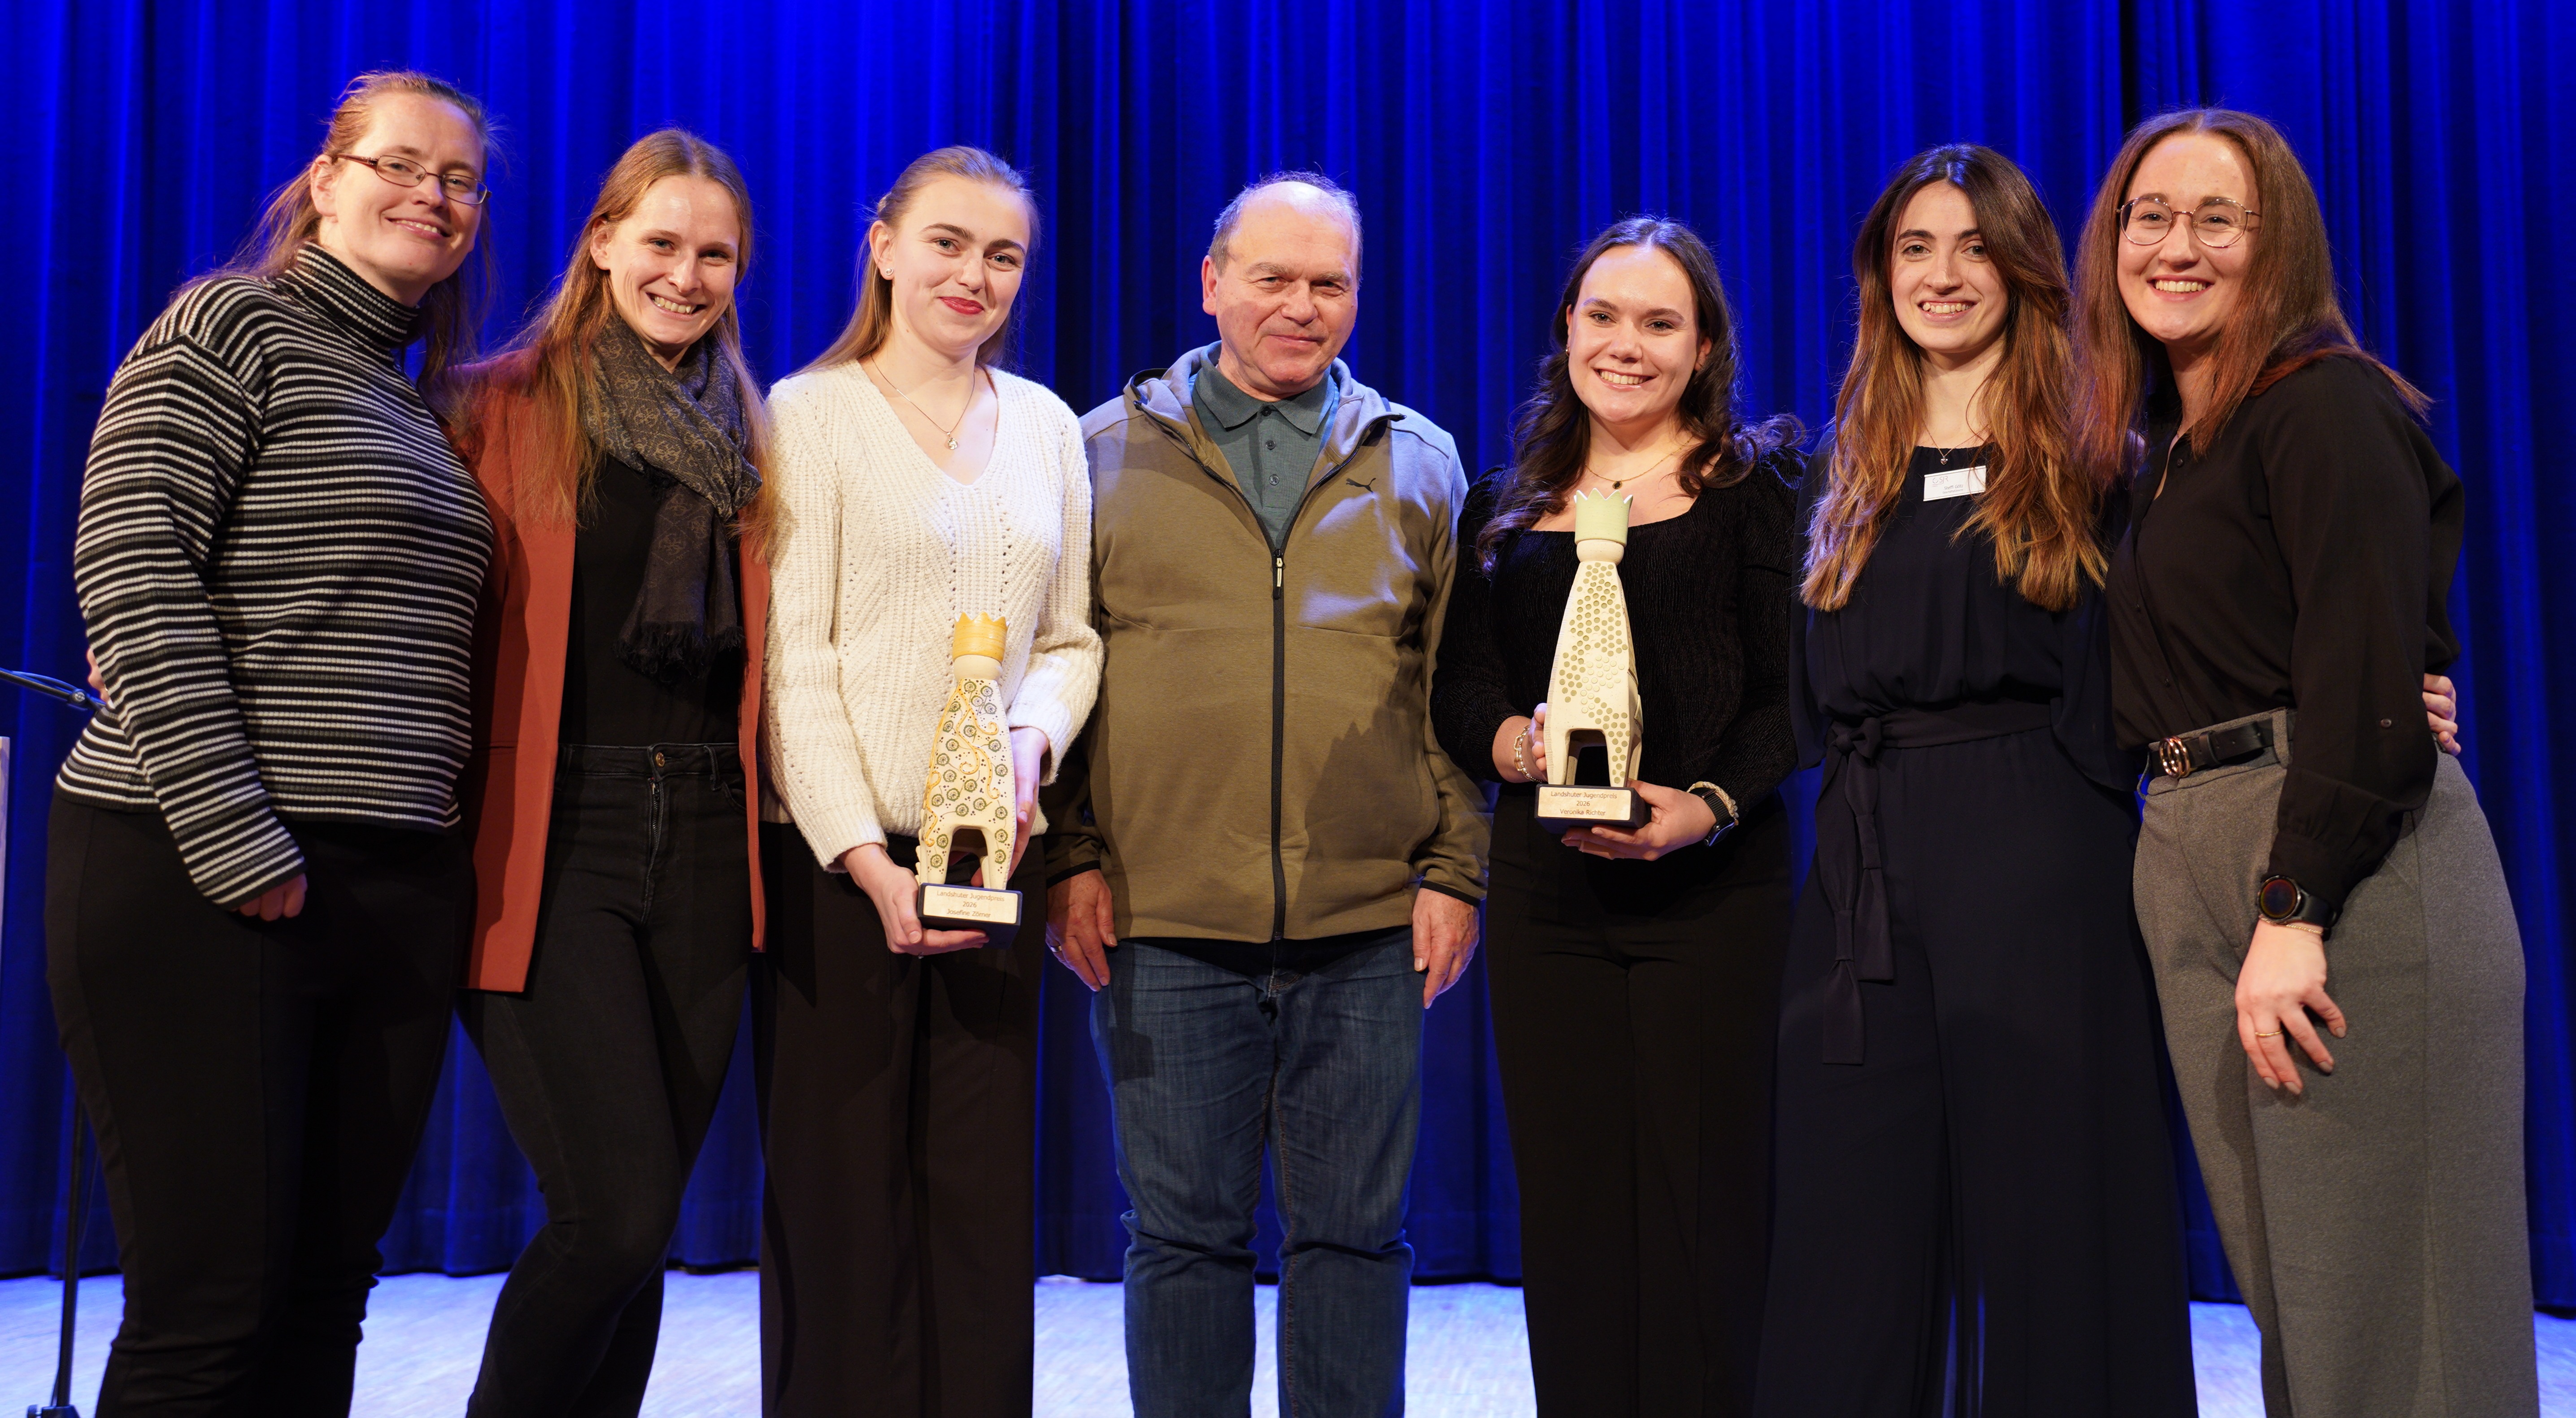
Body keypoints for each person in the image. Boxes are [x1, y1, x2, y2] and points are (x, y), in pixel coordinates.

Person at [44, 70, 494, 1411]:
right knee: (213, 1307)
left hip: (390, 884)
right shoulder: (232, 323)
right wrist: (238, 835)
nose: (433, 194)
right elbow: (131, 564)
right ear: (325, 178)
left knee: (320, 1295)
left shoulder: (414, 399)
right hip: (203, 869)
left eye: (461, 179)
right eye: (401, 163)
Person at [2077, 108, 2538, 1416]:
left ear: (2277, 244)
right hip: (2197, 841)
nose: (2177, 246)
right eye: (2149, 218)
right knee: (2311, 1301)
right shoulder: (2165, 450)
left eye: (2217, 219)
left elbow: (2368, 673)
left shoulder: (2324, 404)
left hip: (2340, 869)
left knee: (2402, 1310)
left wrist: (2297, 904)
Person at [1752, 144, 2198, 1416]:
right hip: (1864, 862)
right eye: (1914, 249)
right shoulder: (1841, 467)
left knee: (2052, 1199)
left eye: (1971, 247)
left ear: (2022, 266)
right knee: (1853, 1205)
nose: (1942, 275)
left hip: (2040, 843)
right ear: (1879, 274)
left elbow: (2187, 634)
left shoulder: (2099, 453)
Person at [1045, 172, 1486, 1418]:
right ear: (1213, 284)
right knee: (1181, 1239)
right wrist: (1070, 855)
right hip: (1164, 918)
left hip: (1367, 922)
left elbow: (1456, 689)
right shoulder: (1097, 451)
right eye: (1273, 278)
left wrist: (1454, 869)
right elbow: (1061, 669)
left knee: (1355, 1237)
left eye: (1328, 283)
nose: (1301, 305)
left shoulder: (1422, 461)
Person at [1427, 216, 1798, 1416]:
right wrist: (1512, 745)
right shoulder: (1504, 501)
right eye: (1603, 316)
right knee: (1576, 1202)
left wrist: (1702, 808)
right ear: (1566, 331)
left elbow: (1793, 699)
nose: (1625, 344)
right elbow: (1462, 684)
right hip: (1553, 898)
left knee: (1709, 1205)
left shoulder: (1758, 494)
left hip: (1718, 892)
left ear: (1703, 349)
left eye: (1658, 323)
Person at [757, 145, 1099, 1418]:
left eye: (1004, 255)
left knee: (975, 1197)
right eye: (949, 243)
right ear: (885, 243)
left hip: (993, 851)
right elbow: (798, 661)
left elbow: (1072, 640)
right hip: (843, 870)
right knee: (843, 1202)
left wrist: (1036, 740)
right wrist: (865, 859)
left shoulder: (1051, 427)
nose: (975, 275)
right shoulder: (808, 413)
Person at [447, 130, 768, 1416]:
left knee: (642, 1243)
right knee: (617, 1216)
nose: (687, 275)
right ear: (600, 242)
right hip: (552, 835)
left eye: (715, 254)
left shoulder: (753, 434)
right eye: (661, 244)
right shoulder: (490, 404)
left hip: (703, 835)